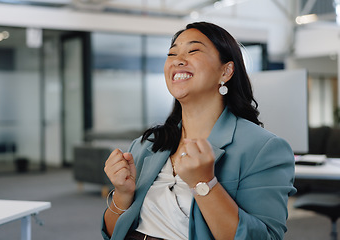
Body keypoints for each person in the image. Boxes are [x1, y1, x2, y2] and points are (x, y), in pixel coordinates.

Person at [101, 21, 297, 240]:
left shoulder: (264, 148)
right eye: (172, 54)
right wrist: (122, 194)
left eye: (193, 50)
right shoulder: (147, 145)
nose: (178, 61)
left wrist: (205, 184)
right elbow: (113, 234)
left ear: (226, 71)